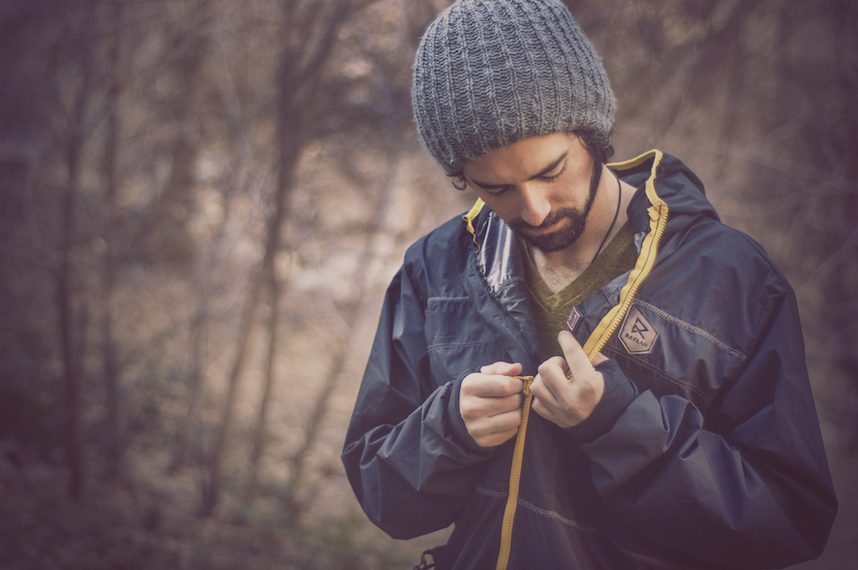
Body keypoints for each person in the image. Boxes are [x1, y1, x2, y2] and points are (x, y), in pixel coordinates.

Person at [341, 0, 838, 568]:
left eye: (551, 171)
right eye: (494, 188)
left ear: (594, 133)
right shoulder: (436, 268)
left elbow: (790, 523)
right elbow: (384, 497)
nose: (532, 209)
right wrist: (447, 429)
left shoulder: (732, 279)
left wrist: (621, 427)